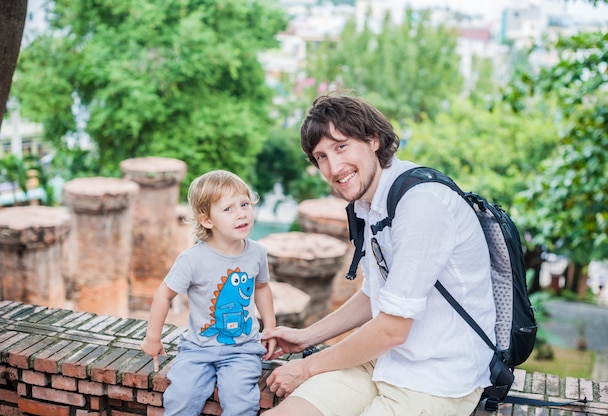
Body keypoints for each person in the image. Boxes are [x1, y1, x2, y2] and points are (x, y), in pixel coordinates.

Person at [262, 93, 496, 416]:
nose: (334, 167)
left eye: (341, 147)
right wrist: (305, 337)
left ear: (373, 139)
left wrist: (305, 368)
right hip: (385, 361)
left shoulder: (420, 204)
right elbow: (374, 293)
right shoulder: (370, 204)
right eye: (321, 157)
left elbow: (391, 329)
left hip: (437, 379)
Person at [141, 169, 276, 416]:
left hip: (243, 349)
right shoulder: (192, 260)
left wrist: (270, 327)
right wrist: (153, 337)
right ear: (207, 220)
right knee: (181, 397)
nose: (241, 213)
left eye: (244, 204)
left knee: (241, 402)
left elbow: (261, 287)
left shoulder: (257, 253)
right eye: (229, 209)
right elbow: (164, 295)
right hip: (197, 349)